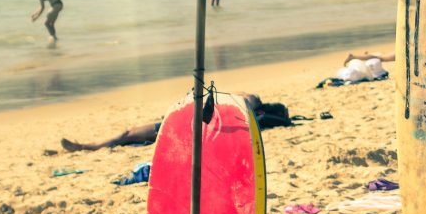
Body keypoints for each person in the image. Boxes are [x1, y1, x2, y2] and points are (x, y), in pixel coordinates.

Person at [60, 93, 291, 152]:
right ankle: (92, 146)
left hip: (185, 124)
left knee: (129, 133)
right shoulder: (250, 120)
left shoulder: (251, 104)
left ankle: (88, 147)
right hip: (189, 125)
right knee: (131, 136)